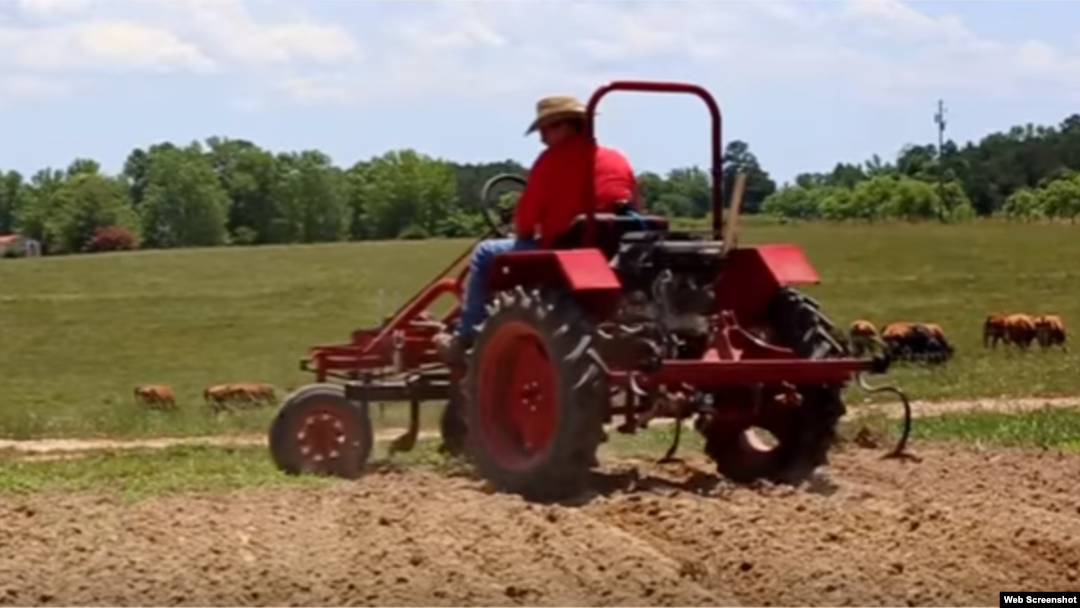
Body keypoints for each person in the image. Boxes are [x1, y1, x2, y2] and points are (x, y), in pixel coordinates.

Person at [434, 94, 639, 364]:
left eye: (546, 128)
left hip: (567, 248)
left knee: (485, 252)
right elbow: (635, 203)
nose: (542, 138)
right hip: (612, 249)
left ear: (567, 125)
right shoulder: (617, 159)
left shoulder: (551, 161)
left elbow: (526, 220)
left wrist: (525, 233)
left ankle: (467, 335)